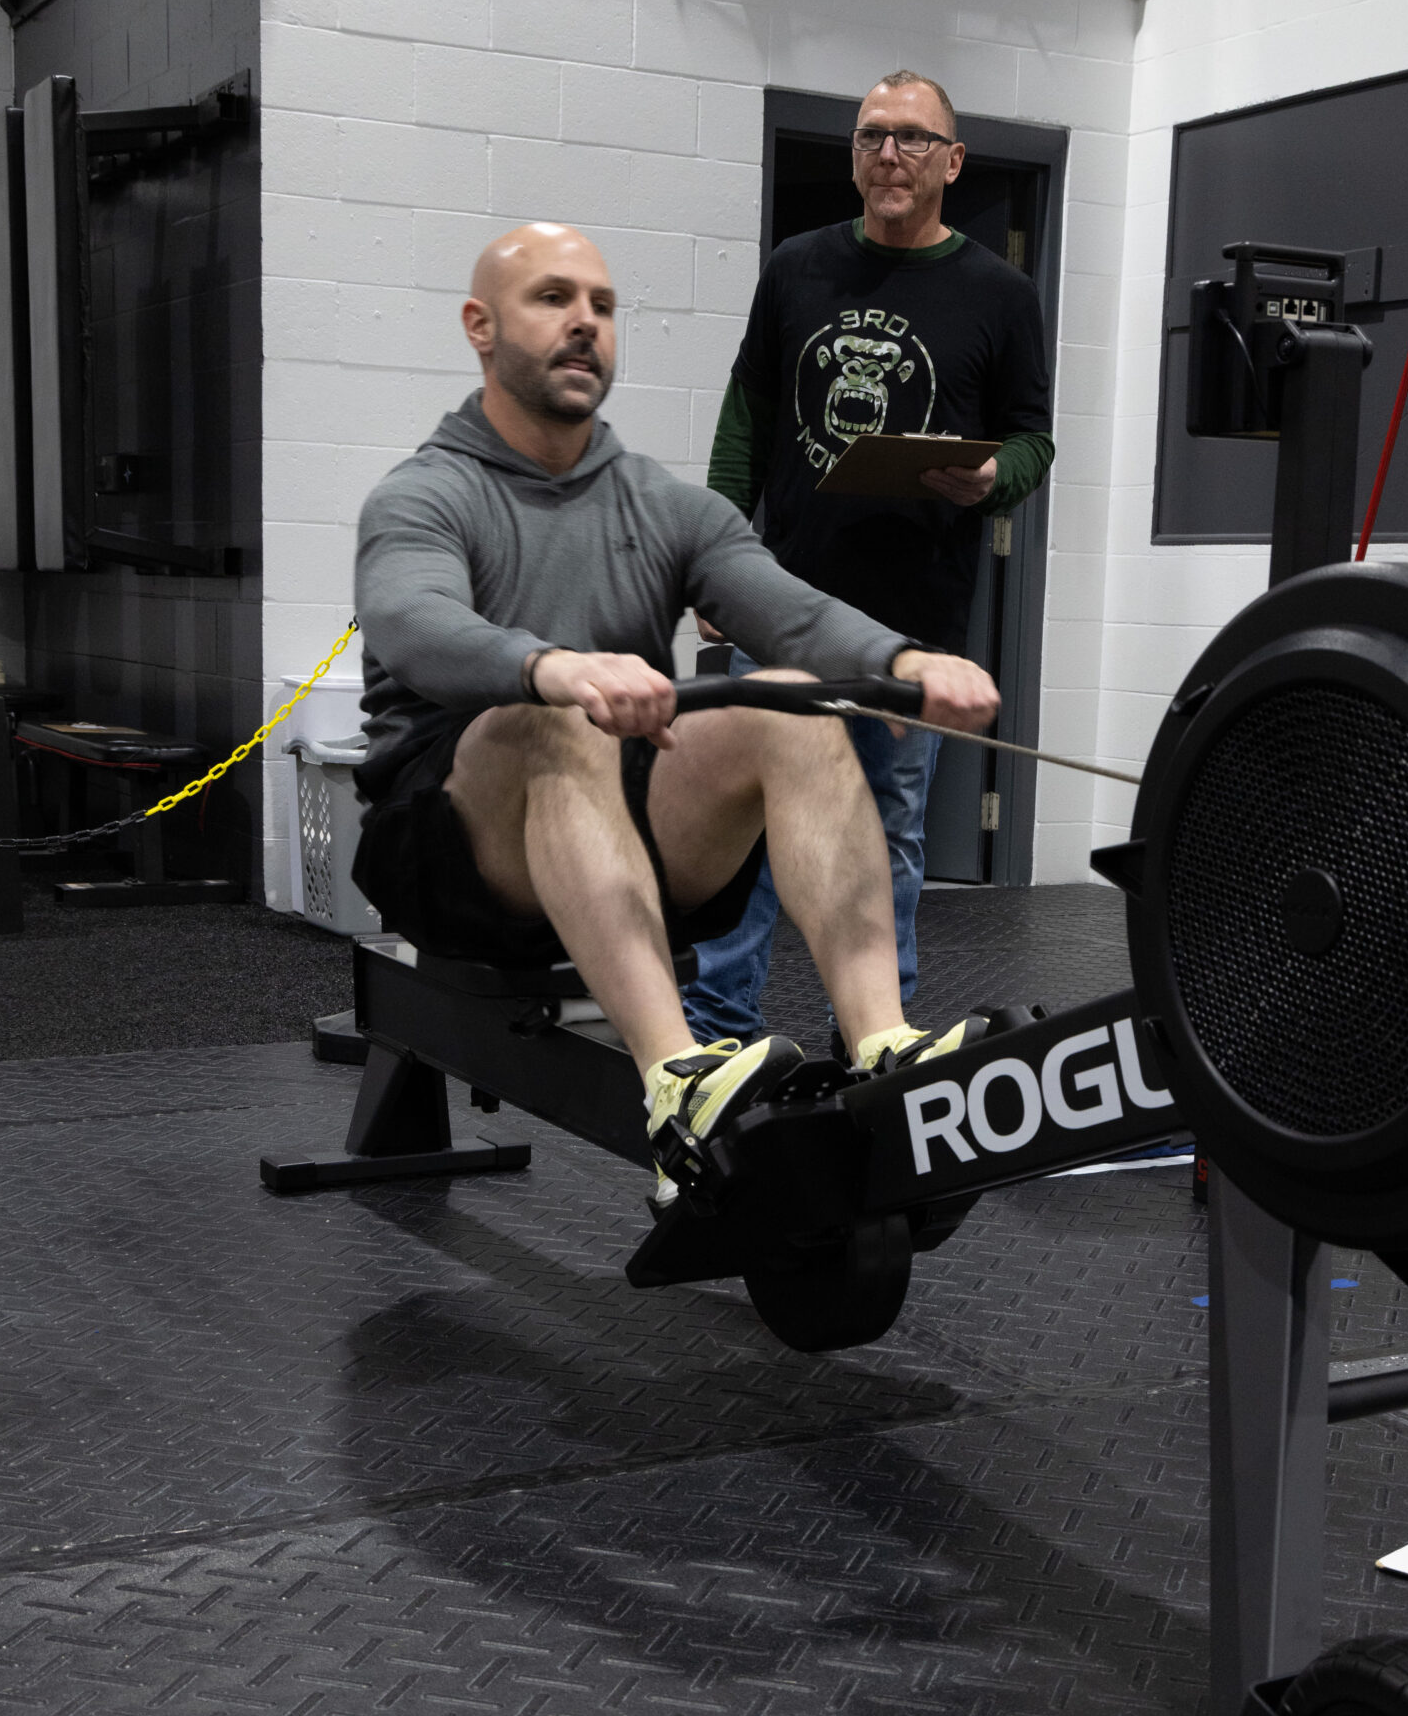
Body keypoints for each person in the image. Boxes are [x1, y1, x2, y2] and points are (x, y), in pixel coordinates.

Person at [349, 220, 1001, 1202]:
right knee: (559, 722)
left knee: (791, 700)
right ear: (481, 326)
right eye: (552, 299)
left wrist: (901, 660)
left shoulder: (660, 504)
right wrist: (554, 669)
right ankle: (676, 1084)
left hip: (621, 827)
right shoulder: (424, 495)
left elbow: (786, 609)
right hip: (452, 849)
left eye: (602, 307)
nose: (584, 323)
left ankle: (883, 1045)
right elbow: (410, 618)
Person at [683, 68, 1055, 1049]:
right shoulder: (796, 268)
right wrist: (715, 559)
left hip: (911, 620)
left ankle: (873, 1039)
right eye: (870, 136)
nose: (889, 154)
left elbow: (1033, 440)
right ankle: (715, 1035)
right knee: (747, 829)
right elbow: (745, 421)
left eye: (912, 137)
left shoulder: (1000, 294)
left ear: (952, 160)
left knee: (888, 833)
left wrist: (994, 478)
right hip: (780, 606)